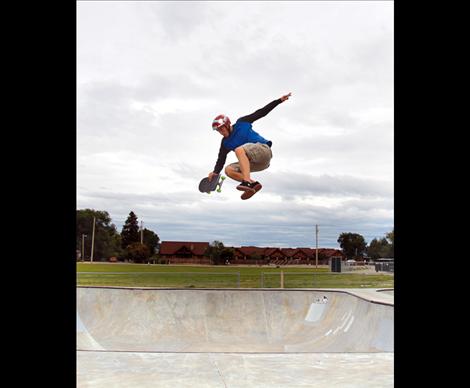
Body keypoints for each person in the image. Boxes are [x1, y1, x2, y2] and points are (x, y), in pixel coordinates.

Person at [208, 92, 292, 200]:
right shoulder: (225, 143)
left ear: (227, 125)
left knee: (239, 150)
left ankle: (247, 182)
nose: (221, 132)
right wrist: (215, 173)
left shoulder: (242, 123)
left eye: (222, 129)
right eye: (218, 131)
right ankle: (253, 184)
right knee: (228, 170)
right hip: (257, 164)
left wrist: (279, 101)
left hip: (263, 151)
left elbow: (261, 112)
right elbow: (220, 160)